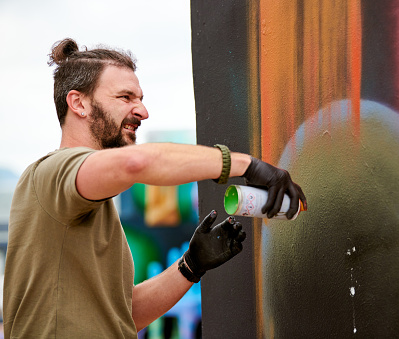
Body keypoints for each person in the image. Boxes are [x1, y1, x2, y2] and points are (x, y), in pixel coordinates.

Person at [2, 38, 307, 338]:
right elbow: (135, 163)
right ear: (78, 103)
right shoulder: (52, 171)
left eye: (141, 98)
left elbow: (123, 316)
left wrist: (191, 265)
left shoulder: (91, 200)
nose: (142, 112)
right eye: (126, 98)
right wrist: (246, 165)